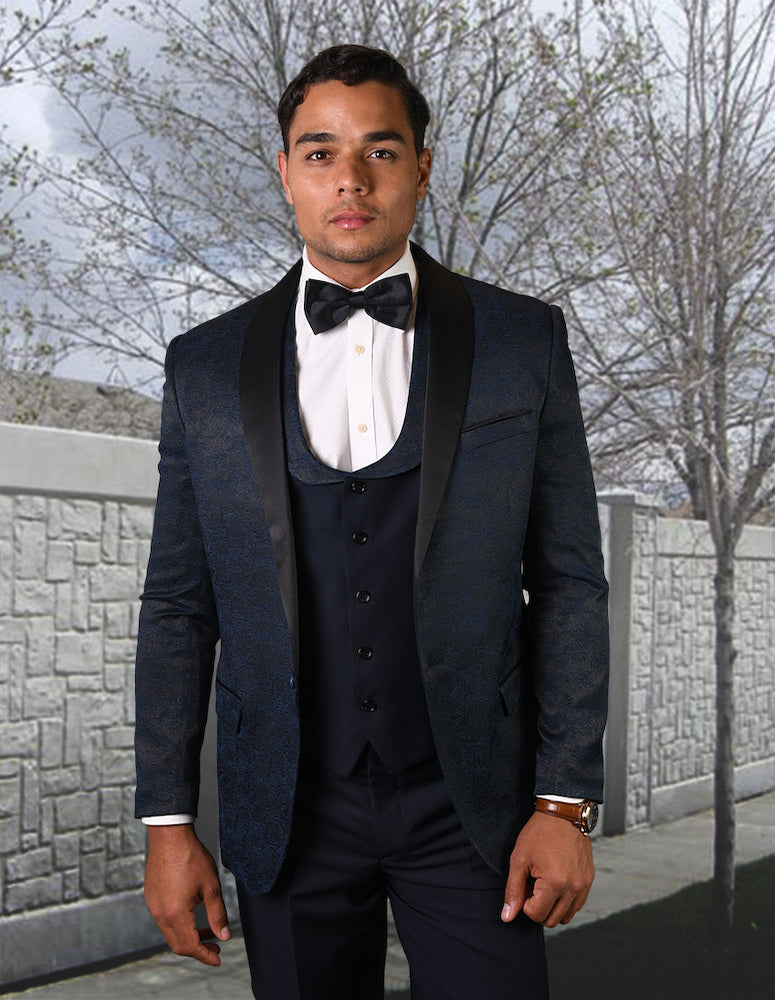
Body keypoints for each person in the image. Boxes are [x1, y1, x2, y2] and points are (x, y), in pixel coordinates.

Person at [135, 44, 609, 1000]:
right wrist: (168, 822)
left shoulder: (524, 342)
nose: (348, 179)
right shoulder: (202, 365)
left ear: (421, 166)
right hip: (289, 807)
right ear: (285, 172)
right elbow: (180, 606)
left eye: (380, 151)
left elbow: (567, 583)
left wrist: (564, 802)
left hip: (473, 805)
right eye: (319, 152)